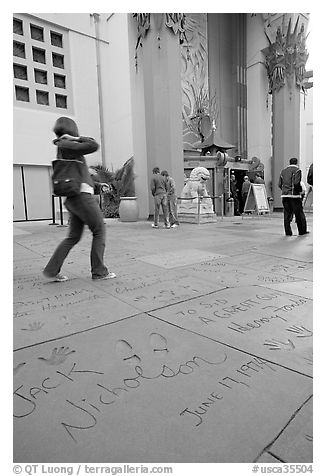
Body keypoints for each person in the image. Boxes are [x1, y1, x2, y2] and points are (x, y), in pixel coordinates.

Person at [43, 116, 116, 282]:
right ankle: (99, 272)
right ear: (71, 129)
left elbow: (80, 177)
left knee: (73, 237)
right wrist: (76, 138)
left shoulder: (65, 147)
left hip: (75, 198)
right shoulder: (67, 144)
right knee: (99, 231)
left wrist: (98, 185)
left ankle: (52, 270)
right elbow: (93, 145)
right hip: (82, 199)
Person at [278, 157, 308, 236]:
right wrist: (299, 190)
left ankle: (288, 232)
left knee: (287, 214)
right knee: (298, 214)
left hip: (285, 195)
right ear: (296, 162)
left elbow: (279, 184)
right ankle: (301, 231)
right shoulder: (297, 170)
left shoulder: (283, 171)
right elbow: (296, 182)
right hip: (294, 196)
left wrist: (284, 190)